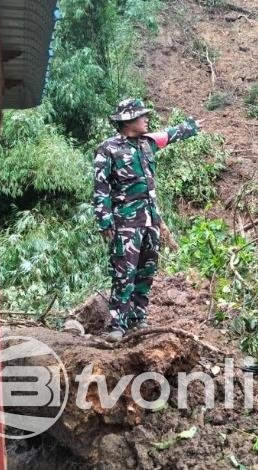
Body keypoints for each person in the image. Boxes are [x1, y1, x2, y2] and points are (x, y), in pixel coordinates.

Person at [93, 98, 201, 341]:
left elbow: (170, 134)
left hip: (150, 221)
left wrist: (191, 126)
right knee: (124, 274)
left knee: (146, 271)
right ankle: (117, 325)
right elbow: (100, 188)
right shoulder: (108, 149)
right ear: (129, 120)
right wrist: (104, 220)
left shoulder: (147, 144)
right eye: (142, 116)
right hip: (125, 224)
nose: (147, 119)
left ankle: (138, 319)